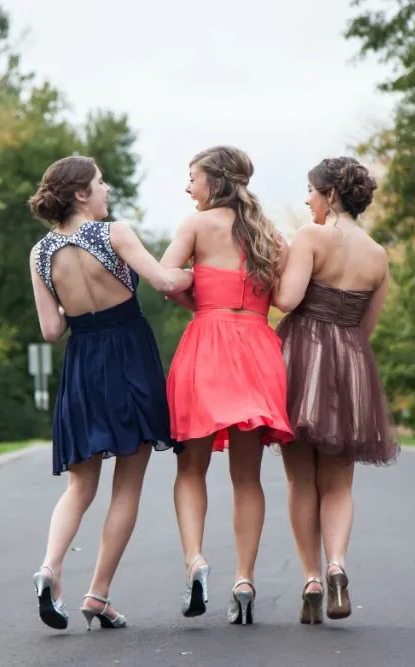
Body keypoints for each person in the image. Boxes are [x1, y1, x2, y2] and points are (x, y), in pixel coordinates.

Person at [29, 155, 192, 631]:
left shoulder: (40, 253)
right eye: (100, 183)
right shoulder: (115, 234)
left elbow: (51, 330)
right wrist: (210, 279)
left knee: (80, 485)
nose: (106, 189)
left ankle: (49, 568)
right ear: (81, 194)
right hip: (129, 361)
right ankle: (98, 594)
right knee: (128, 484)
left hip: (83, 364)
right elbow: (163, 280)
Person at [160, 146, 293, 625]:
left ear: (213, 181)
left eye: (192, 177)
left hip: (207, 347)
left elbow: (166, 279)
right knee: (247, 477)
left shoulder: (195, 226)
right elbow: (284, 297)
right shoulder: (269, 232)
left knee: (191, 469)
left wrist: (199, 301)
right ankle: (244, 578)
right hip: (258, 347)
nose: (187, 187)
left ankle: (196, 562)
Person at [275, 156, 399, 625]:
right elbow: (366, 327)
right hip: (350, 365)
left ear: (330, 194)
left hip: (301, 359)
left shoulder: (311, 236)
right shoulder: (378, 255)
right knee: (339, 481)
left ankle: (309, 576)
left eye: (310, 190)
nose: (306, 200)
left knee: (299, 478)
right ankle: (337, 567)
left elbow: (287, 299)